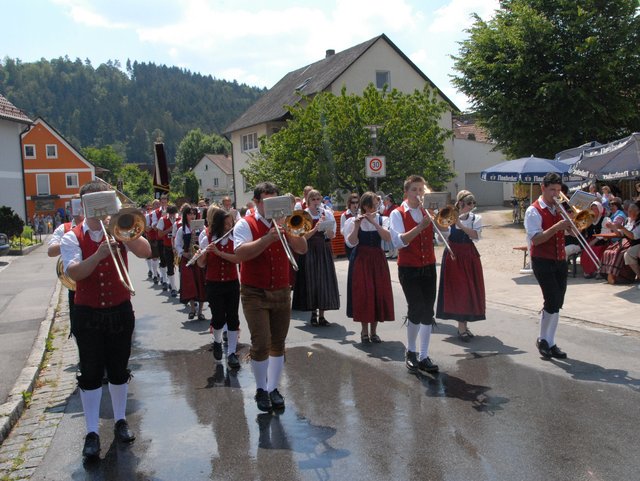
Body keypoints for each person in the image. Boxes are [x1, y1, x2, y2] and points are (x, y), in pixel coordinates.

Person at [60, 180, 151, 459]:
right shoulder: (72, 237)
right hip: (87, 313)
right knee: (90, 373)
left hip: (120, 309)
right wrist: (98, 255)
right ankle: (91, 432)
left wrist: (122, 229)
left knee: (118, 369)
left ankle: (121, 421)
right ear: (85, 204)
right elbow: (74, 273)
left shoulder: (119, 229)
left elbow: (146, 251)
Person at [233, 182, 307, 412]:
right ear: (256, 203)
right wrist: (267, 238)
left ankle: (273, 388)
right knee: (261, 342)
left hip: (282, 290)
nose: (272, 207)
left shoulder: (285, 221)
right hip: (254, 291)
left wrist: (289, 229)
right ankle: (260, 389)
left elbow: (302, 248)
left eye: (276, 201)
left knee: (278, 342)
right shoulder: (245, 223)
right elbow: (240, 253)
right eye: (267, 202)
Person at [389, 175, 439, 373]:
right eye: (414, 190)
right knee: (416, 307)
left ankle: (424, 355)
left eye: (421, 190)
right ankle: (410, 351)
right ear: (406, 193)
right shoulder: (397, 213)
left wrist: (439, 220)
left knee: (428, 311)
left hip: (429, 266)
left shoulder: (428, 211)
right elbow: (399, 241)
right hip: (409, 268)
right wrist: (420, 226)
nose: (419, 194)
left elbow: (445, 232)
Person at [524, 172, 572, 360]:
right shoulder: (533, 210)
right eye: (552, 190)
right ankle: (543, 340)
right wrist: (556, 227)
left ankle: (550, 342)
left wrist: (572, 226)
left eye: (558, 190)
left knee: (558, 302)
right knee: (551, 299)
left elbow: (572, 235)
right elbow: (536, 239)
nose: (556, 194)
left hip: (560, 259)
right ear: (543, 188)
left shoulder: (558, 209)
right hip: (542, 260)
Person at [343, 191, 394, 342]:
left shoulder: (382, 219)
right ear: (365, 206)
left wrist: (373, 222)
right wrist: (357, 226)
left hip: (377, 259)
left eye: (377, 203)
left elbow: (387, 237)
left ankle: (374, 332)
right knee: (364, 294)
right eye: (374, 203)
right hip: (361, 259)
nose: (377, 205)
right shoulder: (352, 221)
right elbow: (351, 242)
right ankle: (364, 332)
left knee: (378, 292)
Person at [436, 190, 486, 341]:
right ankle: (461, 327)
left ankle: (463, 326)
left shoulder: (475, 218)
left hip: (469, 255)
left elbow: (476, 236)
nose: (471, 206)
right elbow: (440, 239)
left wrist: (460, 224)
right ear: (461, 203)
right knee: (459, 290)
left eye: (473, 203)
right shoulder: (449, 216)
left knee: (469, 289)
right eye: (469, 203)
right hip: (453, 256)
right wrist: (442, 227)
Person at [198, 206, 242, 368]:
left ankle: (231, 353)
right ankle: (217, 341)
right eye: (226, 224)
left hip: (231, 283)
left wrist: (219, 253)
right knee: (218, 318)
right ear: (218, 224)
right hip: (214, 283)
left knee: (233, 318)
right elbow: (201, 264)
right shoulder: (207, 237)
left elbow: (238, 259)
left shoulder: (235, 237)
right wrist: (204, 253)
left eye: (231, 223)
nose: (229, 227)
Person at [292, 189, 340, 326]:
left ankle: (323, 315)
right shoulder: (303, 215)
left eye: (318, 199)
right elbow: (301, 237)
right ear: (308, 201)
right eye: (313, 199)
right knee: (311, 281)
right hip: (309, 249)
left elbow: (331, 236)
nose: (316, 202)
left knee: (324, 281)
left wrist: (327, 228)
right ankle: (313, 313)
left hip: (323, 249)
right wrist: (315, 228)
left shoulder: (327, 213)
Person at [175, 203, 207, 319]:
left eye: (194, 214)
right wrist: (184, 253)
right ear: (185, 215)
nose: (192, 216)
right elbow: (177, 244)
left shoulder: (202, 228)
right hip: (187, 259)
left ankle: (200, 311)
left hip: (199, 257)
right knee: (190, 283)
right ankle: (192, 308)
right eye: (189, 214)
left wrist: (201, 251)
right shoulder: (181, 229)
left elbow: (205, 241)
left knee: (201, 282)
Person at [599, 202, 640, 284]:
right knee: (608, 251)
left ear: (638, 212)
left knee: (620, 254)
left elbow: (633, 236)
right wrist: (613, 227)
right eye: (628, 211)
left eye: (630, 211)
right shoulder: (627, 220)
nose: (628, 213)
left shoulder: (638, 222)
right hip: (625, 242)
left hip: (635, 243)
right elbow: (619, 234)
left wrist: (622, 228)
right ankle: (610, 275)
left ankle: (624, 277)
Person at [156, 205, 179, 296]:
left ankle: (181, 288)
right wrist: (169, 229)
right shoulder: (163, 219)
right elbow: (160, 234)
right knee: (170, 266)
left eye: (174, 214)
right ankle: (173, 288)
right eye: (171, 214)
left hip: (178, 248)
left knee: (181, 268)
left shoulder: (180, 219)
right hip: (168, 246)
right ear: (168, 213)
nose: (173, 216)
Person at [339, 193, 359, 258]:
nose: (355, 204)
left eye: (357, 202)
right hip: (349, 242)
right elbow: (342, 230)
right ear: (349, 203)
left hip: (360, 242)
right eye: (353, 202)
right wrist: (350, 228)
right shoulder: (344, 215)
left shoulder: (361, 213)